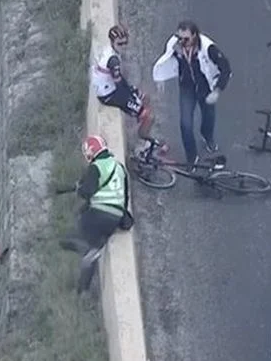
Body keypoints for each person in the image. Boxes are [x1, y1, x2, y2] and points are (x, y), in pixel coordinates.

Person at [152, 20, 232, 166]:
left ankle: (207, 137)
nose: (182, 42)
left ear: (195, 35)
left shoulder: (208, 48)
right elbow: (166, 57)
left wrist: (217, 90)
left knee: (208, 117)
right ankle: (192, 157)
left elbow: (225, 67)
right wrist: (160, 77)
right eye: (179, 37)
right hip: (187, 88)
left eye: (186, 39)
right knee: (185, 124)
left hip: (205, 87)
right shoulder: (176, 44)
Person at [60, 135, 133, 292]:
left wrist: (79, 190)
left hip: (97, 214)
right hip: (114, 217)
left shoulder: (96, 168)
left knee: (69, 239)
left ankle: (87, 254)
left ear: (90, 152)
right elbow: (126, 195)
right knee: (92, 245)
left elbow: (86, 192)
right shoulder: (119, 167)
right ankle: (83, 288)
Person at [92, 24, 168, 159]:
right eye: (120, 44)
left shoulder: (112, 51)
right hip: (109, 94)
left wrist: (134, 93)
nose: (124, 46)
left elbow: (120, 80)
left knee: (145, 98)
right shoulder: (113, 60)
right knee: (148, 116)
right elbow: (120, 87)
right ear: (112, 42)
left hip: (110, 87)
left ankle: (142, 131)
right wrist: (133, 99)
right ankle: (144, 142)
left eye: (126, 43)